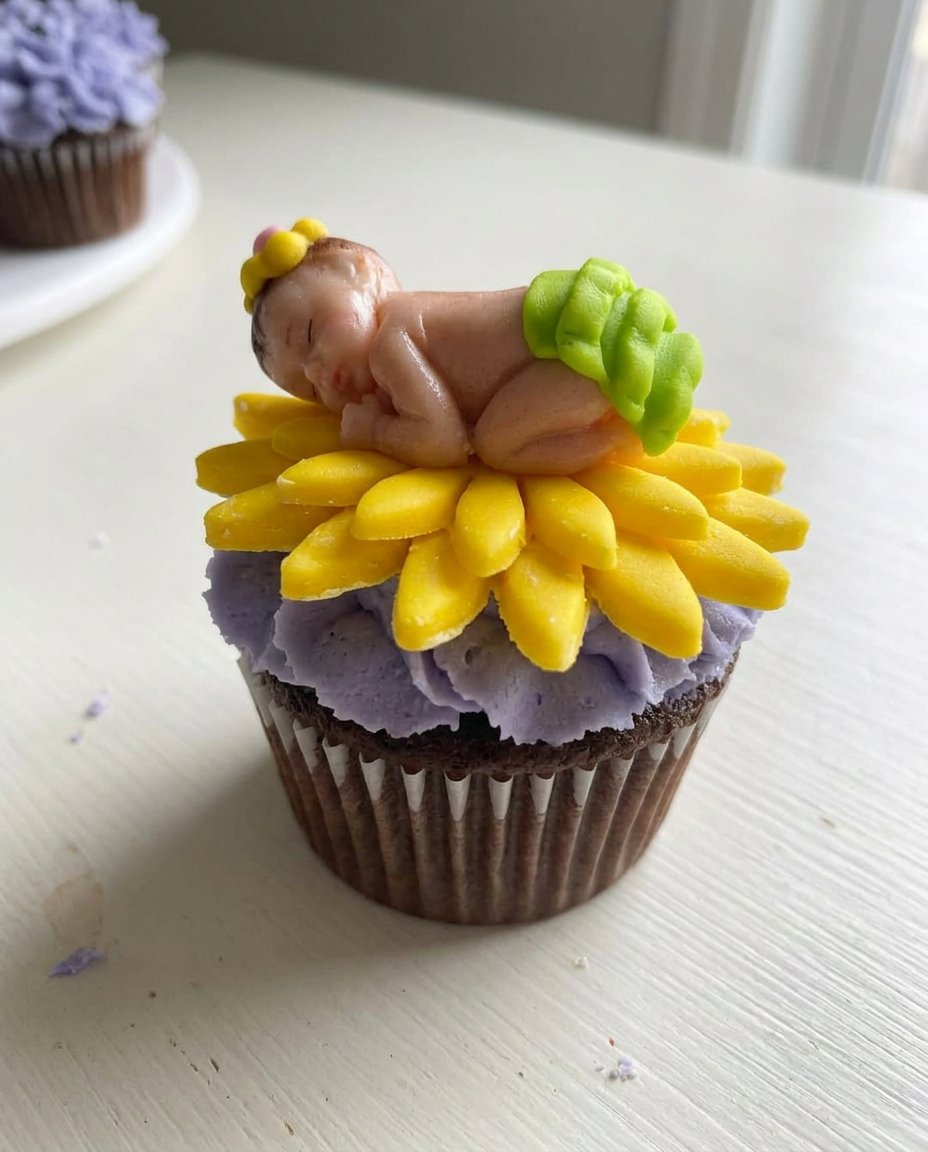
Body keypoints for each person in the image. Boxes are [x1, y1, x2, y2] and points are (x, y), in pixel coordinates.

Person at [241, 219, 702, 474]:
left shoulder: (391, 340)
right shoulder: (414, 317)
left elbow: (442, 441)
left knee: (498, 445)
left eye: (311, 335)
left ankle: (613, 439)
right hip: (562, 337)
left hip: (572, 358)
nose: (321, 372)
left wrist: (374, 431)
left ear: (363, 270)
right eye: (309, 388)